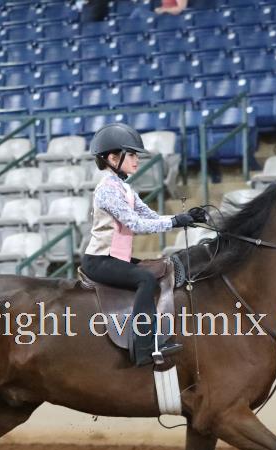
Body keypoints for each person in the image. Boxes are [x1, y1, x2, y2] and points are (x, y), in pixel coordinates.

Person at [82, 122, 205, 366]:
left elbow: (150, 216)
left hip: (116, 258)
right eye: (132, 155)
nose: (137, 160)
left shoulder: (125, 188)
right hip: (99, 260)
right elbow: (136, 224)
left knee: (159, 269)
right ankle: (144, 347)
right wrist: (174, 222)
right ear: (112, 158)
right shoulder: (107, 190)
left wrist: (184, 218)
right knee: (145, 279)